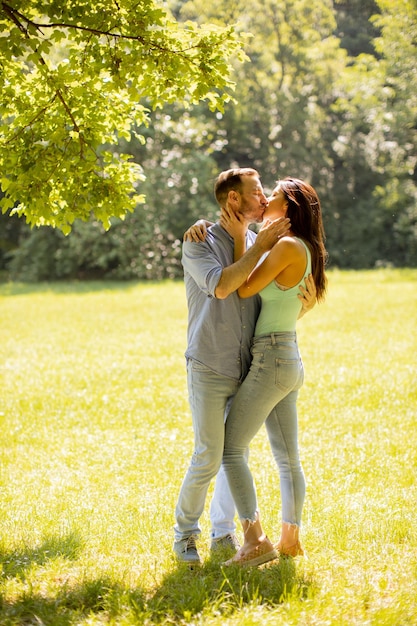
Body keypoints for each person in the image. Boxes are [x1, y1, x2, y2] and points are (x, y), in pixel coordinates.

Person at [174, 168, 317, 564]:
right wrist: (248, 244)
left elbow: (274, 297)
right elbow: (224, 286)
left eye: (266, 193)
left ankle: (226, 533)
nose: (263, 199)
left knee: (235, 453)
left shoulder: (262, 241)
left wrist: (301, 305)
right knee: (210, 453)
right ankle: (186, 535)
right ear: (233, 200)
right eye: (256, 193)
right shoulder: (199, 242)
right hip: (209, 363)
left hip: (251, 364)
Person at [220, 177, 328, 567]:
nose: (267, 200)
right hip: (287, 356)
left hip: (273, 359)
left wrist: (244, 237)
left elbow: (244, 288)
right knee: (287, 459)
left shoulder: (284, 245)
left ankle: (255, 541)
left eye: (275, 197)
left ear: (290, 207)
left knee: (229, 450)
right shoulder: (304, 246)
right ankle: (290, 541)